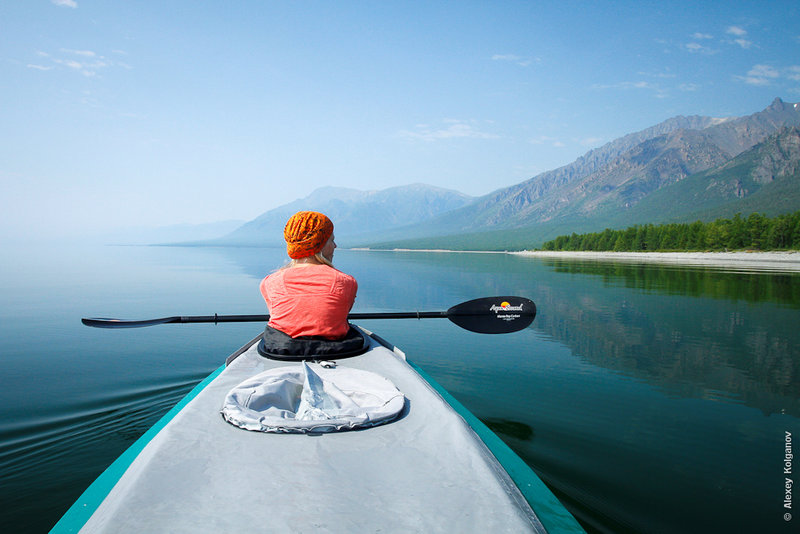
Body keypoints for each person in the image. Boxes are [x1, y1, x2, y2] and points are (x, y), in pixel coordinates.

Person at [258, 211, 362, 359]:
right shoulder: (347, 282)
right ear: (320, 245)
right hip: (338, 351)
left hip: (280, 350)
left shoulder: (269, 282)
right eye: (331, 240)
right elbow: (340, 314)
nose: (335, 246)